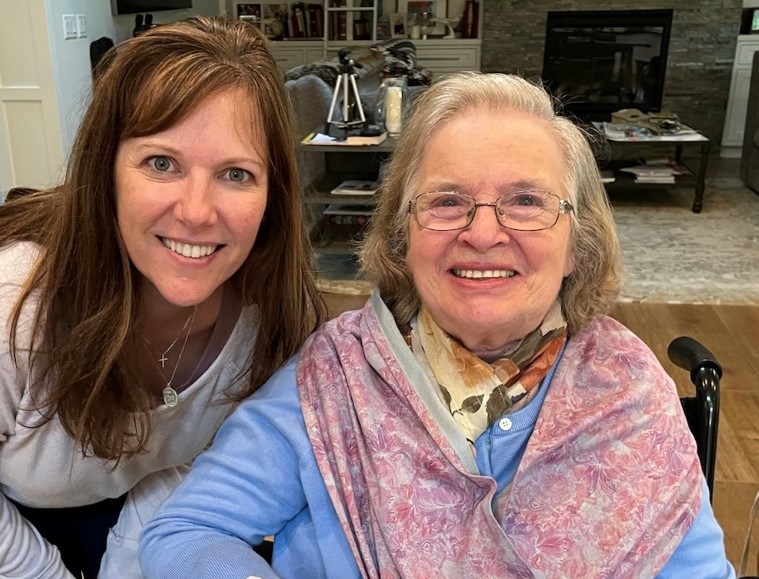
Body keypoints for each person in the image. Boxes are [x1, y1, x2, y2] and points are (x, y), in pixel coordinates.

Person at [139, 72, 735, 577]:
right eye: (446, 201)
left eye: (526, 201)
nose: (481, 234)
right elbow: (188, 530)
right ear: (402, 238)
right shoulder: (335, 379)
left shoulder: (627, 388)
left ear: (577, 244)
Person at [0, 16, 325, 579]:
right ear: (106, 172)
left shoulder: (273, 320)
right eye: (161, 163)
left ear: (273, 193)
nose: (197, 212)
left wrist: (126, 562)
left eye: (236, 173)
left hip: (135, 513)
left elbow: (195, 461)